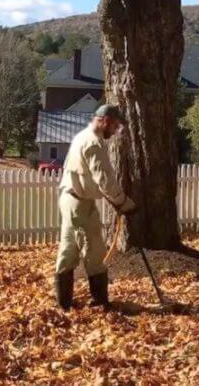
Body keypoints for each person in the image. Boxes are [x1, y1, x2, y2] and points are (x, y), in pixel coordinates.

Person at [54, 104, 136, 310]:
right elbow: (105, 181)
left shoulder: (82, 136)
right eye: (115, 126)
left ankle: (64, 303)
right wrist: (123, 202)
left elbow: (92, 178)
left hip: (72, 198)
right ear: (105, 121)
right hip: (79, 203)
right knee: (93, 249)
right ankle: (99, 302)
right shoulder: (93, 144)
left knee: (69, 249)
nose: (116, 131)